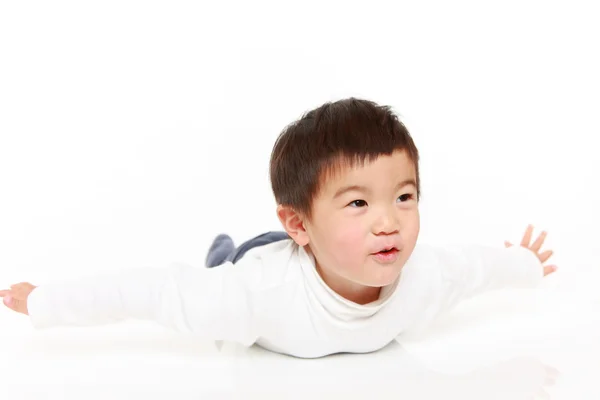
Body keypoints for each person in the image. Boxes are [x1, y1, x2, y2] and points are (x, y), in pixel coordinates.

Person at [0, 98, 556, 359]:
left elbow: (475, 269)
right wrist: (46, 301)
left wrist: (524, 265)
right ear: (299, 222)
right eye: (358, 202)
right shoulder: (254, 296)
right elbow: (151, 293)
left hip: (305, 255)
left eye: (404, 197)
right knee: (222, 262)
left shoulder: (425, 275)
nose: (390, 221)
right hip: (260, 262)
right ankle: (223, 247)